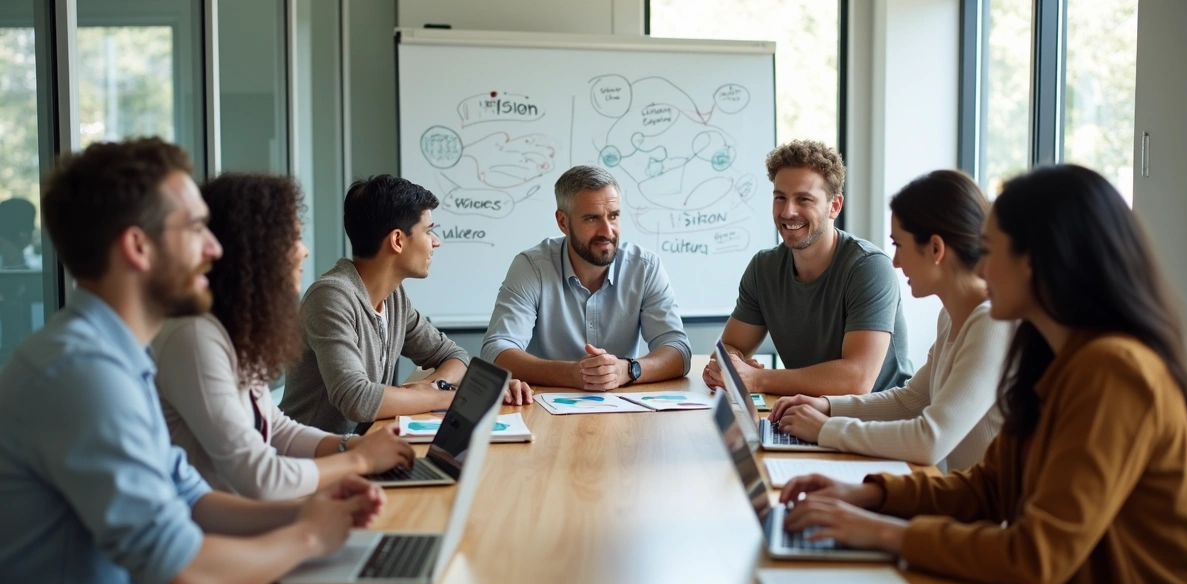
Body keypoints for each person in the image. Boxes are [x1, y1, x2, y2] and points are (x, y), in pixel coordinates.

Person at [777, 165, 1187, 584]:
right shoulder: (1051, 355)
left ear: (1038, 261)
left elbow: (1036, 554)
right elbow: (988, 488)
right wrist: (869, 496)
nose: (981, 269)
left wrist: (881, 532)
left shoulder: (1115, 370)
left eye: (991, 251)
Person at [0, 138, 383, 584]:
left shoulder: (120, 356)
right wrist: (309, 536)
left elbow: (191, 498)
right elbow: (182, 578)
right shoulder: (83, 373)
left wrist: (306, 511)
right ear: (138, 247)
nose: (215, 248)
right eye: (196, 229)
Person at [152, 173, 417, 500]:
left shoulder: (232, 327)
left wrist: (351, 445)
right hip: (231, 522)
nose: (304, 251)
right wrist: (359, 460)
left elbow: (276, 428)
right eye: (292, 238)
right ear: (253, 248)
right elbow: (259, 475)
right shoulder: (194, 337)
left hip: (258, 512)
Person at [768, 170, 1012, 469]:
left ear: (936, 249)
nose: (894, 262)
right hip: (963, 492)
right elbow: (911, 401)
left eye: (899, 245)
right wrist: (827, 406)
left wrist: (824, 429)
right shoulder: (951, 316)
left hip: (994, 501)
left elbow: (930, 441)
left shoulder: (991, 323)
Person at [281, 174, 531, 434]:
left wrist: (432, 388)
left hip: (365, 446)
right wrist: (450, 397)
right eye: (429, 231)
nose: (436, 242)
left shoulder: (394, 298)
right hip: (314, 456)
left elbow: (454, 356)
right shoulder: (331, 297)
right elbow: (356, 399)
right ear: (398, 240)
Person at [703, 140, 913, 396]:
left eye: (803, 199)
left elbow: (857, 380)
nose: (788, 211)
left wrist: (757, 379)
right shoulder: (764, 269)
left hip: (879, 416)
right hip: (807, 410)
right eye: (780, 198)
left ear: (834, 206)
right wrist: (728, 365)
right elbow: (728, 349)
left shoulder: (869, 267)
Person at [481, 165, 691, 390]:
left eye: (613, 216)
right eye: (592, 218)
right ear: (563, 222)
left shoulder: (645, 267)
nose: (607, 231)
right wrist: (572, 374)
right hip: (543, 405)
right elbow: (496, 351)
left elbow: (678, 349)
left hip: (622, 404)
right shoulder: (532, 267)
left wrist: (627, 370)